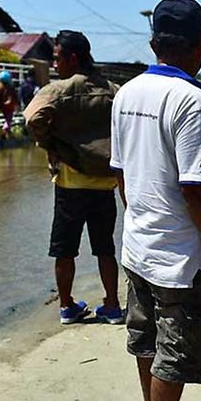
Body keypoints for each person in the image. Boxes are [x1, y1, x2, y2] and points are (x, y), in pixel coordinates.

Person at [110, 0, 201, 401]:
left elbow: (119, 175)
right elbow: (196, 190)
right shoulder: (191, 101)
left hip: (137, 246)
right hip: (178, 256)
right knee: (175, 349)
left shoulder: (126, 93)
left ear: (155, 42)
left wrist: (137, 219)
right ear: (199, 47)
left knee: (146, 340)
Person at [24, 30, 125, 325]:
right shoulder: (113, 90)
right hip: (105, 185)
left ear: (72, 58)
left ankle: (67, 306)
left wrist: (51, 144)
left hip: (70, 184)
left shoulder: (59, 90)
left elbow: (32, 118)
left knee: (64, 249)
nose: (54, 65)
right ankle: (113, 305)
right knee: (105, 247)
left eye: (56, 58)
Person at [0, 70, 18, 138]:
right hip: (10, 107)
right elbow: (15, 97)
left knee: (7, 119)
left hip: (2, 107)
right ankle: (5, 130)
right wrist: (16, 104)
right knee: (8, 119)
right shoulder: (11, 88)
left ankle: (7, 133)